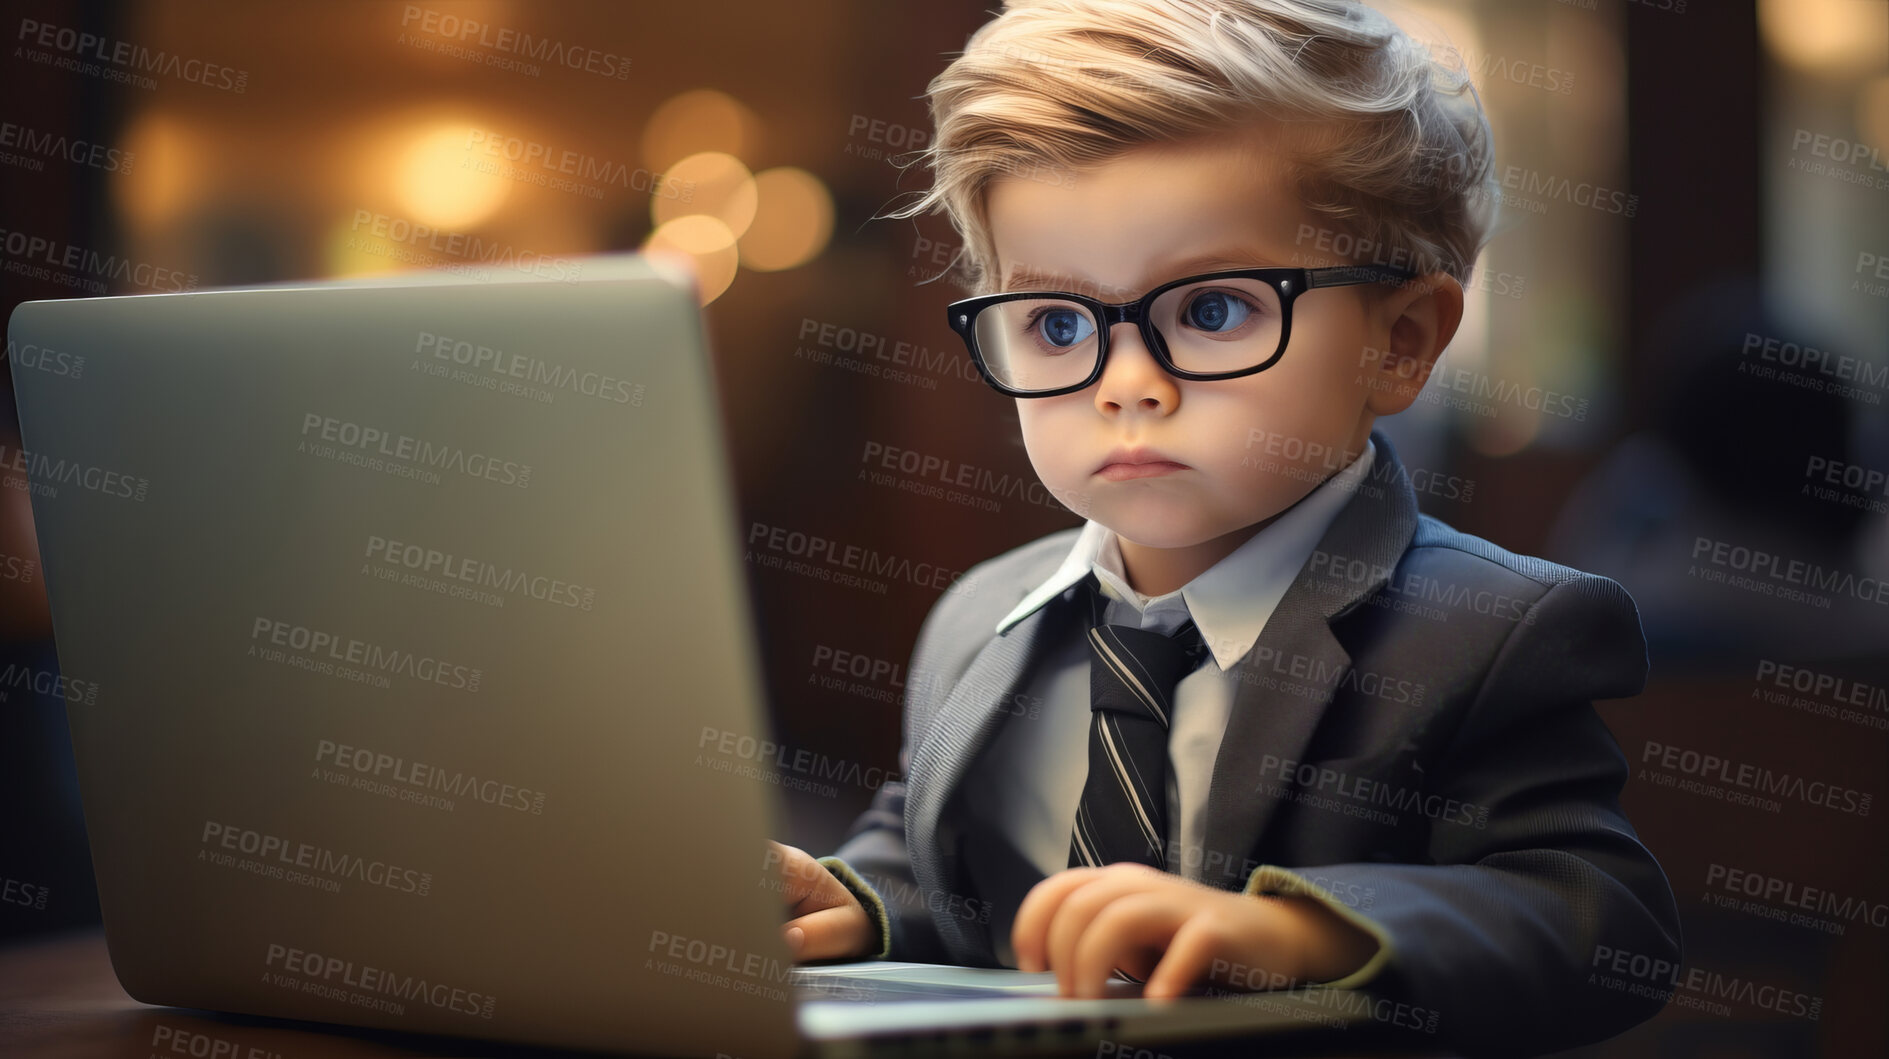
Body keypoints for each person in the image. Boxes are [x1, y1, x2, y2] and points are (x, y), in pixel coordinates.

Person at [766, 2, 1682, 1053]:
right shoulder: (979, 619)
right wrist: (857, 901)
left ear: (1400, 341)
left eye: (1210, 311)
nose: (1126, 384)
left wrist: (1298, 935)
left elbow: (1596, 918)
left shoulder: (1486, 631)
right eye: (1056, 324)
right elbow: (955, 868)